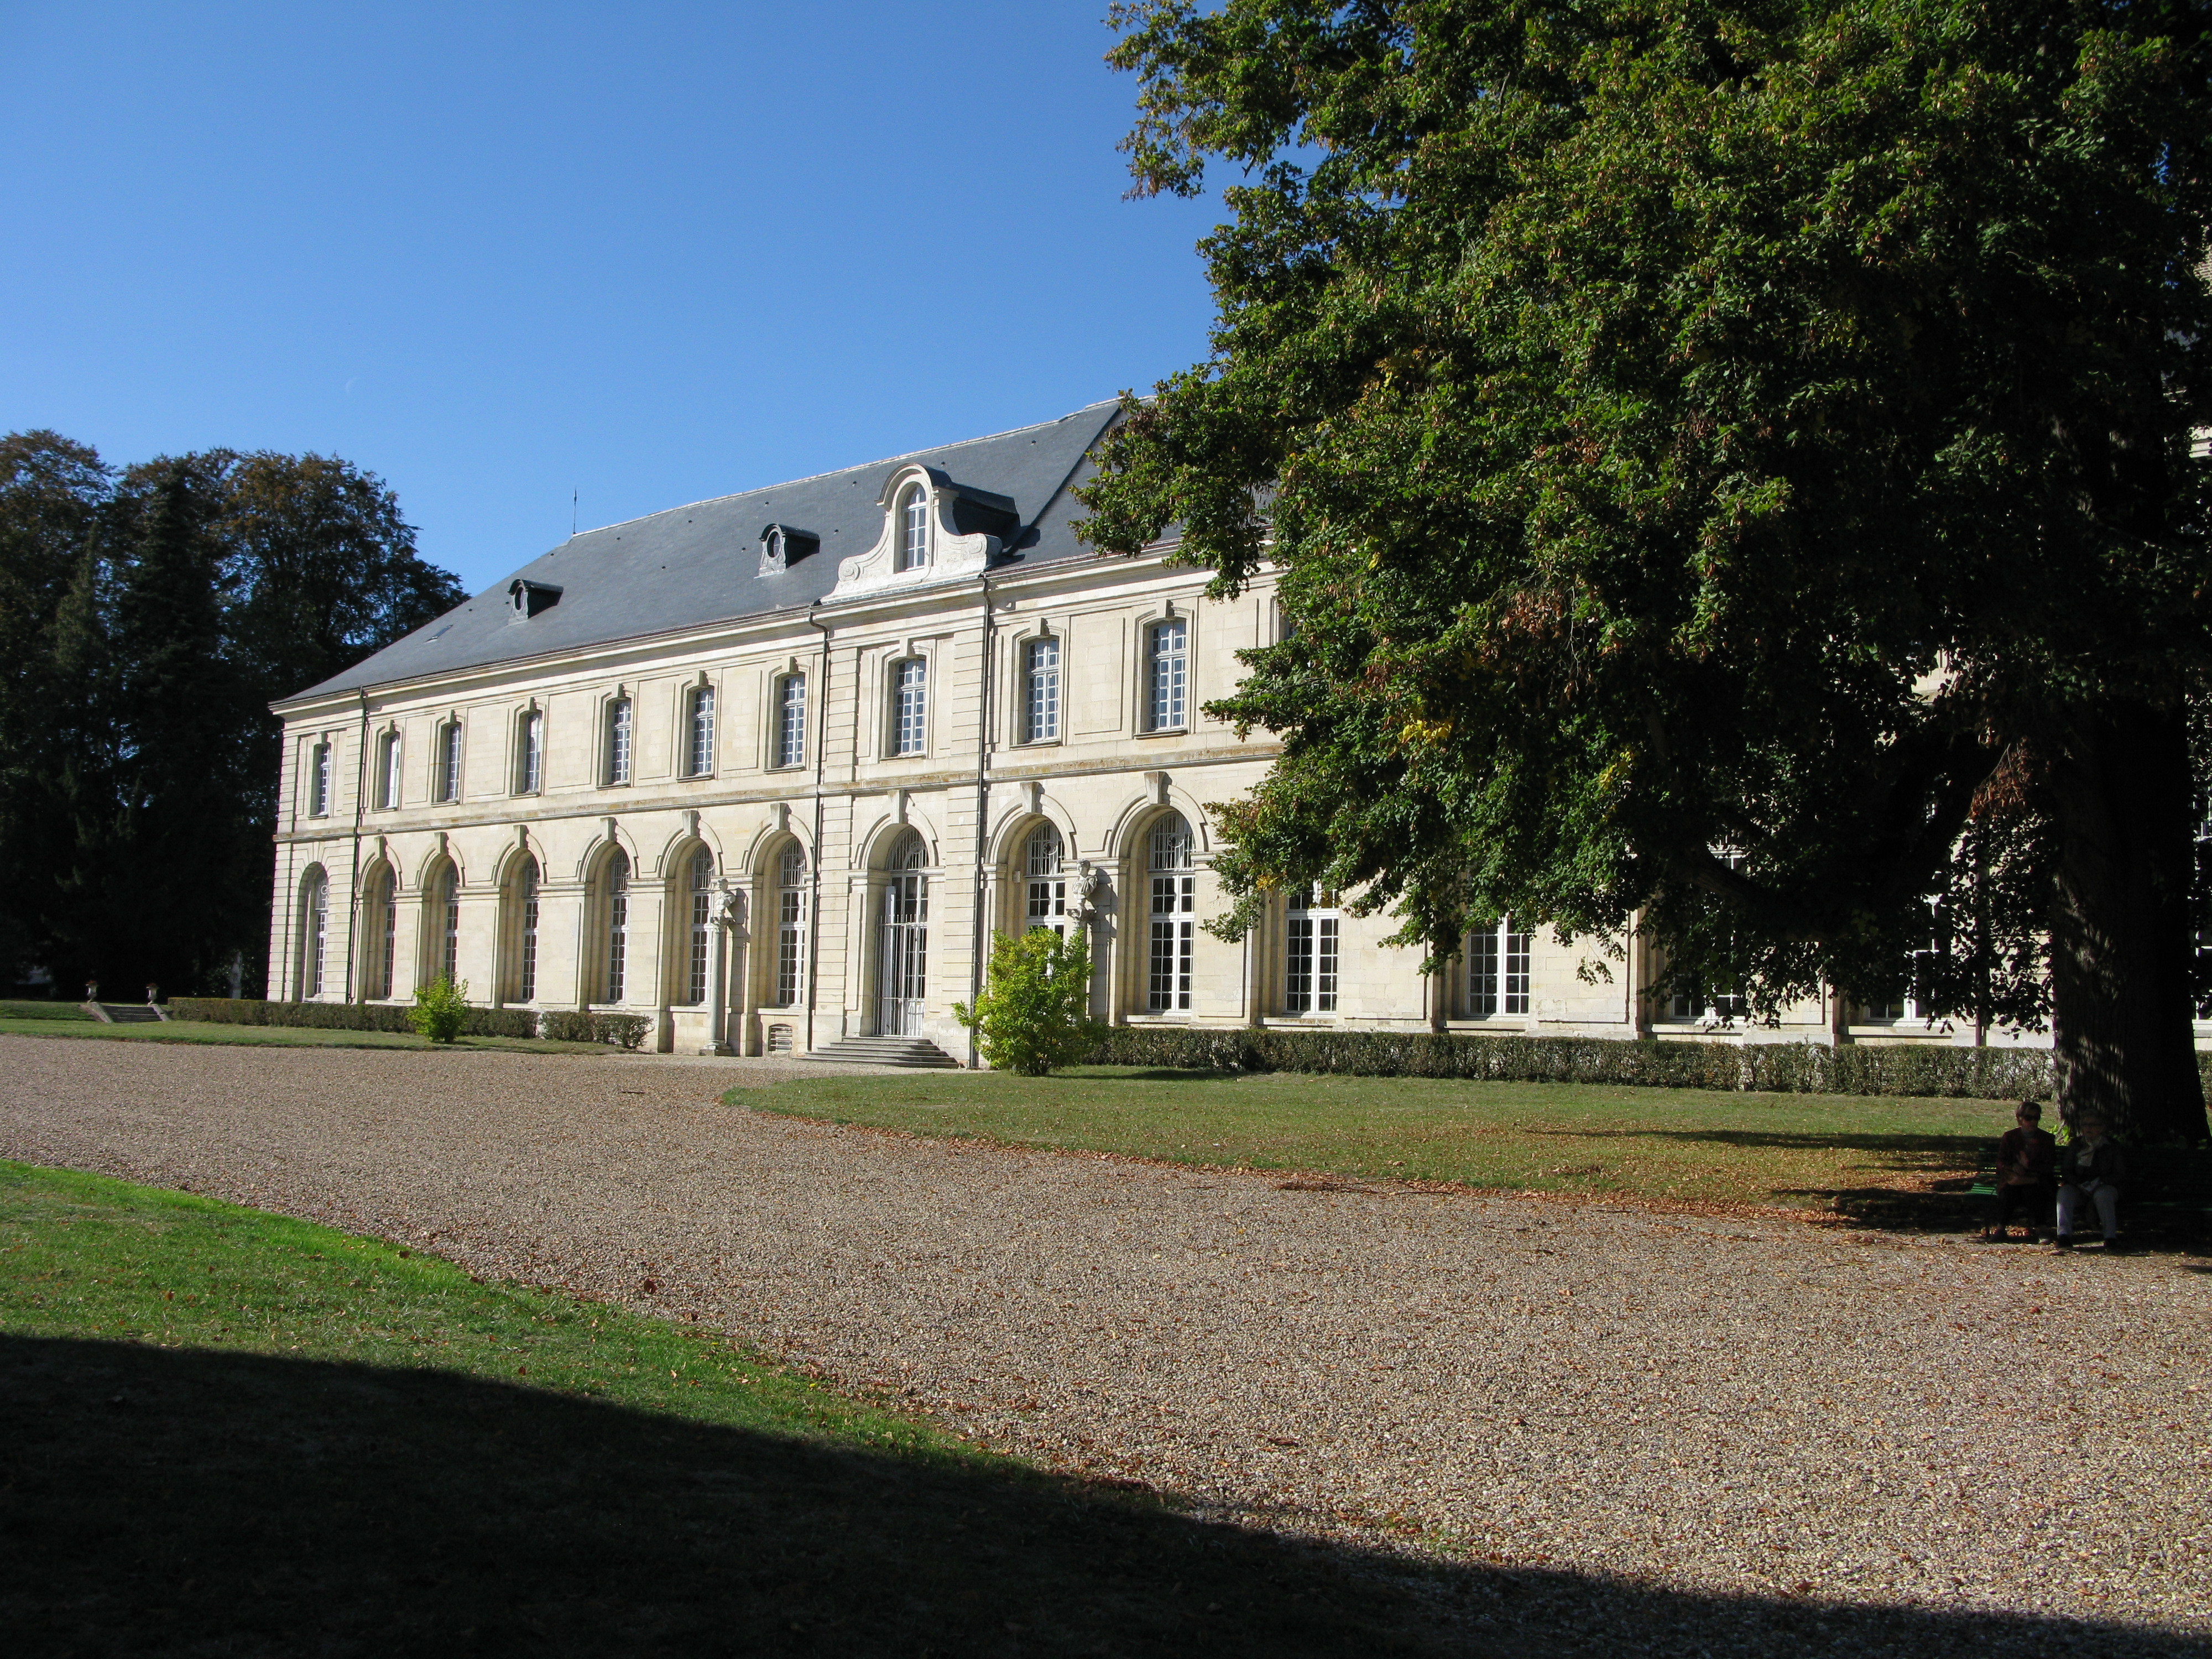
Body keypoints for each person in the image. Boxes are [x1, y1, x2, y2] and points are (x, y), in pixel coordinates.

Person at [1982, 1100, 2056, 1242]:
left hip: (2038, 1181)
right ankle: (2001, 1229)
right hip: (2014, 1179)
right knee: (2010, 1190)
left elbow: (2049, 1165)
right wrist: (2014, 1166)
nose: (2033, 1121)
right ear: (2020, 1118)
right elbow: (2001, 1162)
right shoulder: (2010, 1137)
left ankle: (2042, 1230)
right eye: (2029, 1118)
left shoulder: (2046, 1139)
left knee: (2032, 1191)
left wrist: (2028, 1167)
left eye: (2036, 1118)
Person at [2054, 1111, 2127, 1251]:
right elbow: (2067, 1170)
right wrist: (2077, 1183)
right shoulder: (2076, 1145)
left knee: (2103, 1195)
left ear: (2102, 1128)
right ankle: (2064, 1237)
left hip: (2105, 1185)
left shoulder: (2112, 1146)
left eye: (2093, 1125)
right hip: (2079, 1186)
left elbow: (2120, 1173)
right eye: (2086, 1125)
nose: (2089, 1128)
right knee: (2065, 1193)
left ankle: (2110, 1238)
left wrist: (2100, 1182)